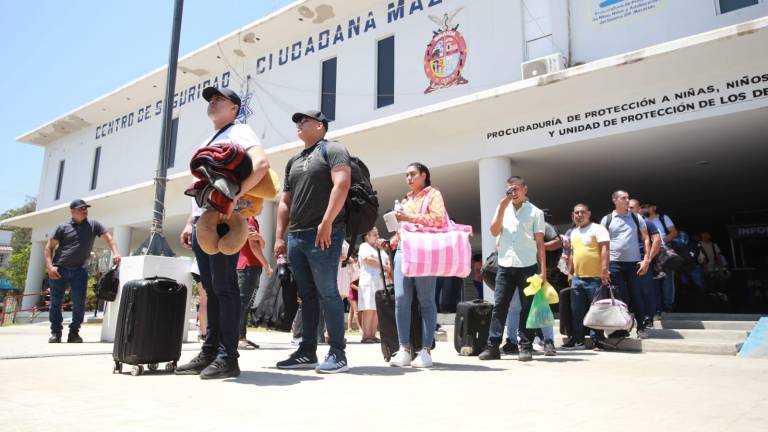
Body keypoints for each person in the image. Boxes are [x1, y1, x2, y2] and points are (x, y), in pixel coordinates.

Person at [176, 86, 270, 379]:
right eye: (210, 100)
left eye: (219, 99)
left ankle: (228, 356)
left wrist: (233, 196)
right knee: (211, 289)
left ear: (234, 108)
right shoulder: (208, 139)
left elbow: (262, 165)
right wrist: (188, 222)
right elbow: (201, 186)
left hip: (222, 220)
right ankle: (209, 351)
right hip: (203, 220)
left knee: (225, 288)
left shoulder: (239, 131)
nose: (213, 102)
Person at [274, 110, 351, 374]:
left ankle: (338, 353)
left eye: (303, 121)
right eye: (296, 121)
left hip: (324, 233)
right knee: (305, 296)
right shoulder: (293, 161)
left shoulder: (334, 149)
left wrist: (327, 221)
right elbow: (285, 202)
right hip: (296, 236)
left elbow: (341, 185)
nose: (298, 125)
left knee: (327, 291)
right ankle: (307, 351)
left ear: (320, 126)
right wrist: (279, 237)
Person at [478, 176, 546, 362]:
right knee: (500, 306)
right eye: (509, 189)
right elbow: (493, 231)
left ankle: (525, 346)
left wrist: (543, 271)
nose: (513, 193)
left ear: (525, 189)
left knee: (527, 307)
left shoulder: (535, 212)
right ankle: (493, 346)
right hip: (505, 265)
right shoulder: (503, 209)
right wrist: (501, 206)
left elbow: (540, 243)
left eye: (516, 189)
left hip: (528, 265)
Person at [386, 162, 445, 368]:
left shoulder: (433, 194)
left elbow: (439, 220)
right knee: (401, 298)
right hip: (403, 249)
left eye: (412, 174)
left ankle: (426, 351)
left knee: (426, 300)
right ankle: (404, 349)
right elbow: (403, 225)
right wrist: (394, 237)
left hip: (424, 251)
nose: (408, 178)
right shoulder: (405, 198)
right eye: (406, 175)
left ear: (424, 175)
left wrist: (407, 216)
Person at [44, 199, 121, 343]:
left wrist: (116, 252)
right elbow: (49, 247)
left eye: (85, 208)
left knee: (79, 303)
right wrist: (49, 266)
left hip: (80, 270)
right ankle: (56, 333)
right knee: (56, 302)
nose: (84, 211)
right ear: (72, 212)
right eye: (81, 209)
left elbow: (109, 238)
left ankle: (74, 333)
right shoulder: (62, 227)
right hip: (59, 269)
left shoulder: (94, 225)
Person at [502, 212, 561, 356]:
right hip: (515, 271)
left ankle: (548, 341)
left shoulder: (543, 225)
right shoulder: (512, 227)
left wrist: (536, 245)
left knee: (541, 305)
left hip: (535, 272)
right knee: (514, 307)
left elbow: (557, 242)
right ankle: (511, 342)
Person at [600, 191, 651, 339]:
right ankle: (621, 329)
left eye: (628, 198)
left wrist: (646, 260)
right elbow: (603, 245)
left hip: (634, 263)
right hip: (614, 264)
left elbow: (646, 239)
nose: (627, 200)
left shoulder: (636, 217)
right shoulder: (607, 219)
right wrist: (604, 268)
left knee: (637, 295)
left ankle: (641, 327)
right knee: (619, 298)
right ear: (615, 200)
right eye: (624, 198)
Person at [564, 203, 610, 349]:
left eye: (582, 212)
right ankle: (578, 340)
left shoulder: (598, 229)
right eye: (576, 212)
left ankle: (598, 340)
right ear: (573, 215)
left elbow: (605, 249)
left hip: (596, 278)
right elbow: (572, 254)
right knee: (577, 311)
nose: (579, 215)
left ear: (589, 214)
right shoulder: (573, 232)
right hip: (578, 279)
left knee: (597, 310)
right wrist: (570, 273)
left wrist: (604, 270)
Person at [237, 216, 273, 350]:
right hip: (249, 266)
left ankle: (241, 336)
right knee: (243, 304)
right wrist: (267, 265)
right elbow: (253, 246)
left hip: (246, 266)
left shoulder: (250, 219)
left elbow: (259, 245)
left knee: (245, 304)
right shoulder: (249, 219)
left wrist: (261, 238)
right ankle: (239, 338)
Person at [643, 203, 678, 312]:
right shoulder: (641, 220)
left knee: (667, 279)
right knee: (652, 280)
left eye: (646, 206)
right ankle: (657, 307)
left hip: (664, 251)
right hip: (649, 252)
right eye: (642, 206)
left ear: (654, 207)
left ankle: (668, 306)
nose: (644, 208)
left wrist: (660, 242)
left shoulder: (663, 218)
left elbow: (673, 233)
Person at [357, 228, 389, 343]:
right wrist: (385, 267)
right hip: (369, 282)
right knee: (368, 309)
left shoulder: (379, 249)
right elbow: (369, 260)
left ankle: (373, 334)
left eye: (377, 234)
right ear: (367, 236)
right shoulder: (364, 246)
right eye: (374, 234)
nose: (377, 236)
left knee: (376, 309)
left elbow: (386, 260)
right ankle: (366, 335)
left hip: (380, 282)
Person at [190, 259, 208, 341]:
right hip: (203, 267)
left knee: (204, 300)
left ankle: (202, 332)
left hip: (199, 267)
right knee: (205, 300)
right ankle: (204, 333)